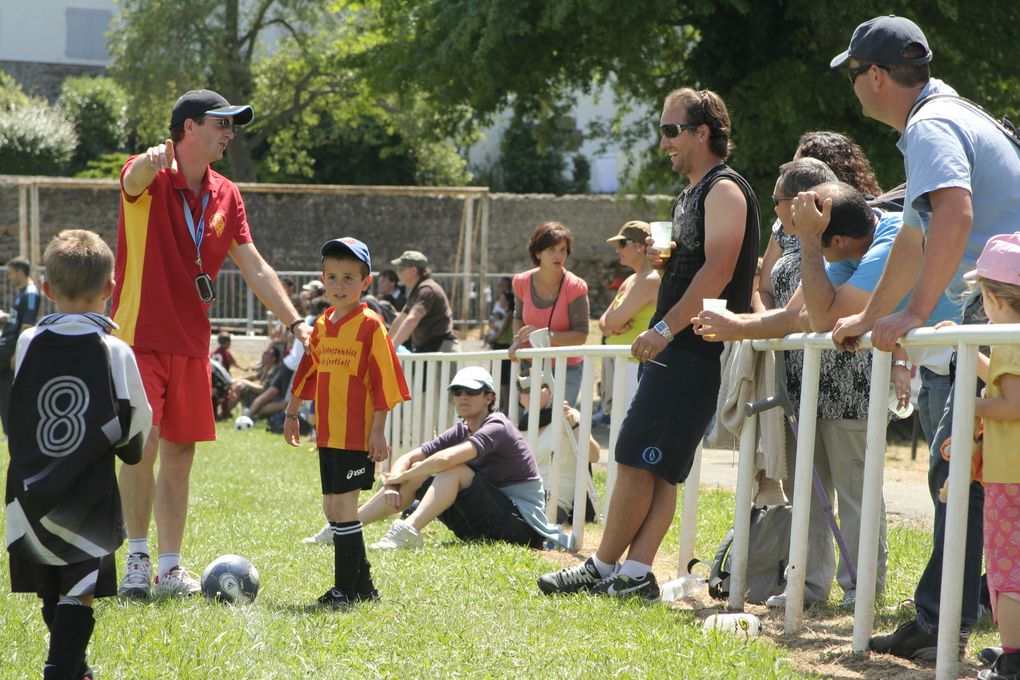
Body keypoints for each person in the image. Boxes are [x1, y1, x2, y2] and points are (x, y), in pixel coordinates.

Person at [828, 16, 1020, 659]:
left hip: (996, 307)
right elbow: (913, 237)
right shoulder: (951, 112)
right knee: (959, 465)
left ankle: (945, 625)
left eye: (854, 74)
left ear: (875, 76)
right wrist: (869, 316)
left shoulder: (931, 126)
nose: (854, 87)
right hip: (993, 303)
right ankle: (942, 619)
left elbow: (956, 213)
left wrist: (910, 315)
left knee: (956, 462)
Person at [538, 87, 759, 599]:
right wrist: (667, 262)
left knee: (636, 455)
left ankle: (603, 566)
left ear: (702, 132)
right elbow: (700, 264)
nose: (663, 142)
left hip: (691, 348)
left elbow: (722, 269)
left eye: (671, 130)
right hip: (683, 346)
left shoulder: (724, 189)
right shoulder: (692, 193)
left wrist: (664, 328)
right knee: (657, 467)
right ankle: (635, 576)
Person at [112, 89, 311, 599]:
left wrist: (296, 323)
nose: (230, 133)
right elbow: (130, 181)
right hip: (139, 337)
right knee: (144, 446)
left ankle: (171, 566)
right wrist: (149, 163)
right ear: (189, 127)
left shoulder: (228, 193)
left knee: (180, 454)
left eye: (232, 125)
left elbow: (255, 265)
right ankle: (137, 559)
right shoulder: (150, 170)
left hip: (192, 344)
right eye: (222, 123)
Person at [695, 174, 914, 608]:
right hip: (808, 381)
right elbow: (802, 315)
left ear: (842, 238)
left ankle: (862, 593)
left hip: (854, 385)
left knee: (856, 493)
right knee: (809, 496)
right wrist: (737, 326)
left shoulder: (886, 239)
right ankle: (810, 587)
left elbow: (822, 314)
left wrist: (811, 245)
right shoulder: (842, 244)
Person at [5, 230, 151, 679]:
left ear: (46, 289)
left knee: (51, 584)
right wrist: (130, 451)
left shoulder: (28, 341)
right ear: (109, 290)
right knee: (79, 589)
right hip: (86, 488)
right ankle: (62, 668)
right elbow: (137, 418)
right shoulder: (113, 348)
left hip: (28, 487)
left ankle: (75, 666)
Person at [283, 237, 410, 609]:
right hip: (328, 432)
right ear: (323, 279)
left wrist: (378, 430)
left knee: (343, 509)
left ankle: (343, 591)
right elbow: (308, 369)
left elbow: (386, 380)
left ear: (365, 283)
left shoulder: (371, 325)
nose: (339, 286)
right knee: (331, 509)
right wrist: (292, 411)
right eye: (333, 277)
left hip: (357, 434)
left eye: (349, 278)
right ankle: (364, 587)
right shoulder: (322, 324)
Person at [358, 366, 574, 551]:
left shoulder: (498, 426)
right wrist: (395, 482)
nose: (462, 396)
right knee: (420, 471)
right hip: (483, 524)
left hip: (522, 528)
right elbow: (410, 456)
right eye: (457, 391)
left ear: (488, 397)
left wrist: (402, 476)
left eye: (470, 391)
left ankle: (408, 531)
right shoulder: (461, 429)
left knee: (453, 470)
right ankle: (346, 525)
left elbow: (447, 459)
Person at [966, 234, 1020, 680]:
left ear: (994, 299)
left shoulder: (1009, 341)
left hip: (1010, 474)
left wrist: (972, 406)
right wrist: (965, 352)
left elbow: (1012, 404)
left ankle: (1013, 658)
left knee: (1006, 569)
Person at [509, 222, 590, 407]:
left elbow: (581, 335)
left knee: (560, 425)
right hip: (531, 365)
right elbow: (518, 317)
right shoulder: (521, 281)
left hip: (567, 368)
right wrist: (517, 341)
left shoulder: (576, 286)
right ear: (537, 253)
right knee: (530, 425)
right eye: (551, 250)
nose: (559, 255)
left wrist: (545, 335)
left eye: (563, 250)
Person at [517, 374, 601, 523]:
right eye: (524, 389)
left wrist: (574, 425)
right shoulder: (520, 427)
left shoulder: (566, 416)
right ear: (519, 397)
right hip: (524, 496)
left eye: (537, 386)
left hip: (553, 502)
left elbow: (594, 455)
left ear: (550, 391)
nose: (530, 393)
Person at [598, 221, 660, 415]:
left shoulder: (650, 279)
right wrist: (610, 326)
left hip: (634, 364)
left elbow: (611, 321)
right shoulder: (631, 279)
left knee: (626, 426)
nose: (617, 250)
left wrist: (611, 325)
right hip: (621, 361)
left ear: (639, 246)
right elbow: (603, 323)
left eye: (622, 243)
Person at [388, 251, 459, 353]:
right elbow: (401, 319)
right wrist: (386, 344)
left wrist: (392, 347)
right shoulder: (417, 291)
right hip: (430, 348)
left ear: (413, 270)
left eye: (401, 268)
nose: (398, 272)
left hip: (442, 349)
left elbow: (412, 319)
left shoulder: (427, 290)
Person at [0, 256, 41, 435]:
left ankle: (14, 430)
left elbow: (27, 325)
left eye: (10, 274)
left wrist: (18, 353)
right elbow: (18, 319)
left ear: (19, 272)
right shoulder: (23, 291)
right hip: (6, 345)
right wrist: (6, 318)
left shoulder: (31, 293)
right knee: (5, 390)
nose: (9, 278)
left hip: (8, 348)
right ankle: (10, 431)